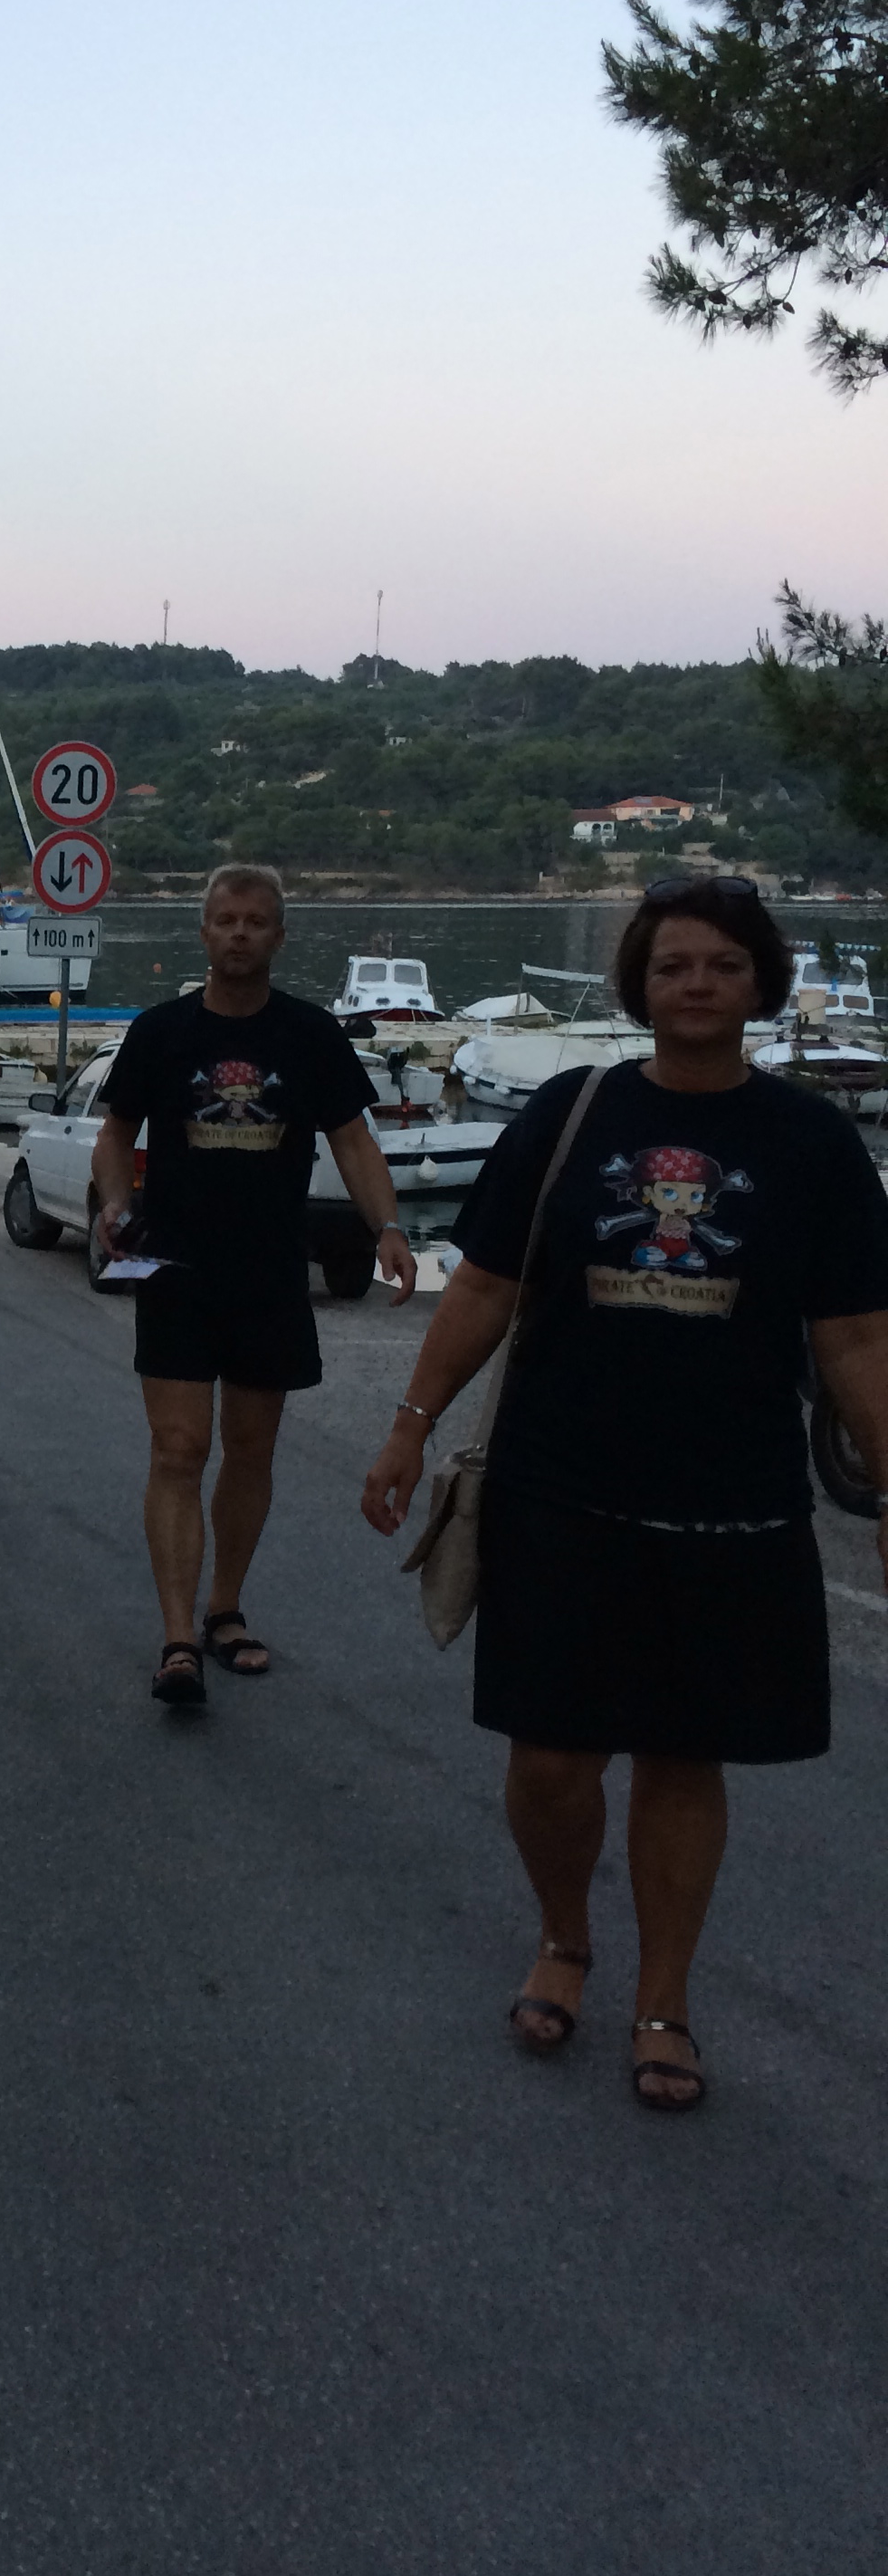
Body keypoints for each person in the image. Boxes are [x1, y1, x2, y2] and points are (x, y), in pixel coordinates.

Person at [361, 878, 888, 2112]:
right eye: (672, 965)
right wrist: (408, 1428)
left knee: (683, 1756)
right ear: (640, 986)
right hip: (560, 1481)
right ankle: (563, 1933)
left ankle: (664, 1998)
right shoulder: (572, 1110)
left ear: (760, 984)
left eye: (722, 965)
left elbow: (858, 1339)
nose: (696, 983)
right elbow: (484, 1286)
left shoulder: (813, 1144)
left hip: (730, 1494)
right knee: (551, 1760)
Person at [91, 862, 414, 1708]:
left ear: (279, 935)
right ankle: (176, 1639)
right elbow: (115, 1132)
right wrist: (116, 1202)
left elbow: (353, 1140)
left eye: (256, 921)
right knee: (178, 1449)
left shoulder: (309, 1035)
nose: (240, 934)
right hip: (171, 1264)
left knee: (250, 1450)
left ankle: (224, 1609)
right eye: (226, 920)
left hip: (270, 1270)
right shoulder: (160, 1031)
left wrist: (388, 1227)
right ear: (203, 931)